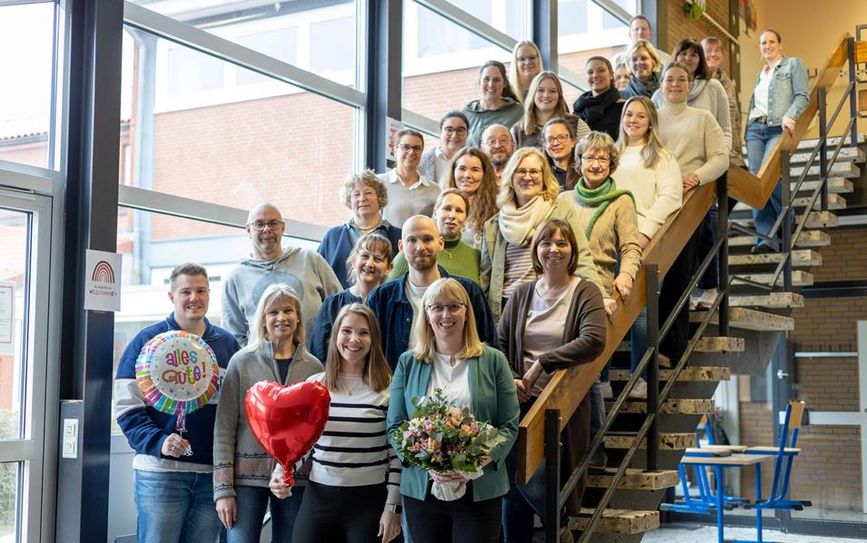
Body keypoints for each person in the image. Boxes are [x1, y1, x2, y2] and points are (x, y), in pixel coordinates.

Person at [497, 220, 607, 543]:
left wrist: (545, 362)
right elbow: (500, 342)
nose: (554, 250)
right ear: (536, 250)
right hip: (521, 401)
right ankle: (555, 528)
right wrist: (513, 378)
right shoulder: (521, 293)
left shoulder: (585, 291)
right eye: (546, 243)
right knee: (513, 489)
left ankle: (557, 525)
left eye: (562, 243)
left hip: (562, 405)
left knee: (539, 479)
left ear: (573, 251)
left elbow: (594, 339)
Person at [115, 263, 240, 543]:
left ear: (209, 294)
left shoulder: (228, 346)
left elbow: (237, 411)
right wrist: (158, 441)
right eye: (186, 291)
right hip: (160, 474)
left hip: (211, 478)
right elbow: (126, 408)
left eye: (201, 291)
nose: (194, 298)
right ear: (172, 297)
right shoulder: (146, 341)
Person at [387, 278, 519, 543]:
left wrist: (475, 461)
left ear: (466, 311)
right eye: (436, 307)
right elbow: (395, 426)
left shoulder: (493, 360)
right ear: (426, 314)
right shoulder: (408, 362)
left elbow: (509, 424)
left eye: (453, 306)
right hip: (423, 490)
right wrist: (427, 462)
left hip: (480, 489)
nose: (445, 315)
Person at [270, 304, 401, 543]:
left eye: (364, 332)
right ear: (335, 335)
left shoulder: (389, 388)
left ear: (374, 339)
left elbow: (396, 455)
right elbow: (301, 444)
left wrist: (392, 508)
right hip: (319, 497)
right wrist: (281, 472)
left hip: (369, 501)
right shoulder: (315, 385)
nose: (354, 339)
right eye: (347, 331)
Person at [214, 284, 323, 543]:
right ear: (263, 318)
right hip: (245, 481)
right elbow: (224, 428)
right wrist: (222, 490)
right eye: (273, 312)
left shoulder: (314, 367)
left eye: (288, 310)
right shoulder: (241, 363)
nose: (281, 318)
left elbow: (317, 430)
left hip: (296, 481)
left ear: (298, 317)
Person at [562, 132, 642, 430]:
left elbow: (631, 247)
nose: (595, 164)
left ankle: (595, 443)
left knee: (591, 372)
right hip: (563, 290)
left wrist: (626, 274)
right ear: (578, 162)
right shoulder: (563, 199)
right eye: (589, 157)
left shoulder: (621, 201)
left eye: (602, 158)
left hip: (600, 290)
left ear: (611, 163)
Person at [479, 147, 604, 323]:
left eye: (534, 171)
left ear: (544, 177)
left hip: (550, 302)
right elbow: (486, 278)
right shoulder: (494, 224)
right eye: (520, 171)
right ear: (511, 178)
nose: (527, 177)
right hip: (506, 309)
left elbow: (581, 256)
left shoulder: (561, 210)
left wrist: (601, 297)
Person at [656, 62, 728, 365]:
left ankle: (671, 349)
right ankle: (650, 344)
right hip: (656, 203)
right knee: (650, 277)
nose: (675, 84)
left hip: (689, 204)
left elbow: (721, 158)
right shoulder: (652, 119)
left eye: (681, 79)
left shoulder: (703, 118)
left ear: (690, 85)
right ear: (661, 85)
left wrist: (696, 177)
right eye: (669, 79)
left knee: (678, 276)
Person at [615, 96, 683, 398]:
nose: (633, 119)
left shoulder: (662, 156)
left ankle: (639, 377)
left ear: (650, 121)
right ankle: (601, 377)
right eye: (629, 114)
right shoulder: (613, 153)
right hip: (611, 239)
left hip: (644, 238)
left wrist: (644, 233)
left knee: (640, 310)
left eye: (641, 115)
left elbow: (671, 197)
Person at [367, 215, 495, 369]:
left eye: (427, 239)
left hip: (458, 387)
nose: (420, 247)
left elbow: (490, 347)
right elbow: (368, 355)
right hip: (399, 388)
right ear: (401, 247)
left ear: (441, 243)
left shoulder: (469, 292)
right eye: (412, 240)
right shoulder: (380, 299)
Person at [222, 203, 341, 346]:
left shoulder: (310, 260)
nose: (267, 229)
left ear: (283, 227)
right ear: (248, 230)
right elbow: (234, 335)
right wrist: (255, 362)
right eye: (259, 224)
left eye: (273, 223)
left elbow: (341, 308)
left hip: (318, 363)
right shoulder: (235, 278)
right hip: (263, 366)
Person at [745, 29, 809, 253]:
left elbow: (803, 95)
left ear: (780, 45)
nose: (767, 46)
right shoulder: (760, 73)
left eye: (772, 41)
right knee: (755, 180)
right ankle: (765, 238)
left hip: (776, 128)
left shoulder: (793, 64)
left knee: (769, 172)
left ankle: (786, 214)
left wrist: (790, 116)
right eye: (763, 43)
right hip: (755, 128)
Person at [310, 233, 394, 362]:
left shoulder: (392, 305)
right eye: (365, 256)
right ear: (354, 260)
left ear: (389, 267)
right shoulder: (332, 304)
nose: (370, 264)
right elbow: (318, 354)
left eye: (378, 259)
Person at [318, 171, 402, 288]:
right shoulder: (333, 236)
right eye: (356, 194)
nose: (362, 199)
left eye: (368, 193)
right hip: (339, 304)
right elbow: (317, 275)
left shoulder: (398, 236)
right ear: (349, 200)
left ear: (380, 198)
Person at [652, 38, 732, 153]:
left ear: (700, 60)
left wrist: (721, 155)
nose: (687, 58)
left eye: (693, 55)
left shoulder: (714, 87)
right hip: (668, 160)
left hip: (708, 160)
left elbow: (725, 130)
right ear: (675, 56)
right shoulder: (659, 94)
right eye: (683, 53)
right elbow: (651, 132)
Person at [389, 190, 481, 284]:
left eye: (459, 211)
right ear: (436, 212)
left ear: (466, 216)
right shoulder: (412, 251)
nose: (452, 215)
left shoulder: (475, 255)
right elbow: (388, 291)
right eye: (447, 209)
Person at [379, 129, 442, 228]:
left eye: (417, 148)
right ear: (395, 150)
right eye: (406, 147)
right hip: (387, 242)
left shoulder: (435, 190)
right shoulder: (379, 183)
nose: (411, 152)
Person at [511, 72, 590, 149]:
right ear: (533, 94)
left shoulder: (577, 124)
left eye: (552, 91)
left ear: (559, 96)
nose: (546, 95)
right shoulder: (517, 131)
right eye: (541, 90)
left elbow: (592, 154)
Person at [702, 36, 746, 167]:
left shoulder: (728, 83)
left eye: (717, 50)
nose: (713, 54)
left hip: (730, 153)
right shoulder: (694, 81)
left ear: (723, 55)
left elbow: (735, 119)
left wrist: (737, 153)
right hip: (705, 153)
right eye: (708, 50)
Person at [443, 147, 499, 248]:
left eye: (475, 170)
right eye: (462, 169)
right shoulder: (441, 205)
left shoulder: (496, 210)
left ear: (484, 174)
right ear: (453, 171)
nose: (467, 175)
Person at [462, 61, 524, 147]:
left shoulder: (518, 112)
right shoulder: (465, 114)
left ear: (504, 83)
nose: (491, 84)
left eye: (496, 80)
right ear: (480, 82)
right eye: (486, 79)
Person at [572, 57, 625, 140]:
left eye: (601, 70)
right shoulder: (579, 108)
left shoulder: (624, 107)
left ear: (611, 74)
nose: (595, 75)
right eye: (590, 72)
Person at [419, 111, 470, 187]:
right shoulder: (421, 161)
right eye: (449, 130)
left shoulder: (475, 161)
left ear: (467, 134)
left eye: (460, 130)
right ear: (440, 132)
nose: (454, 135)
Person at [542, 117, 580, 191]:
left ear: (573, 141)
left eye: (562, 137)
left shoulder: (583, 170)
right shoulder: (541, 174)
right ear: (545, 145)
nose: (555, 143)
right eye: (550, 139)